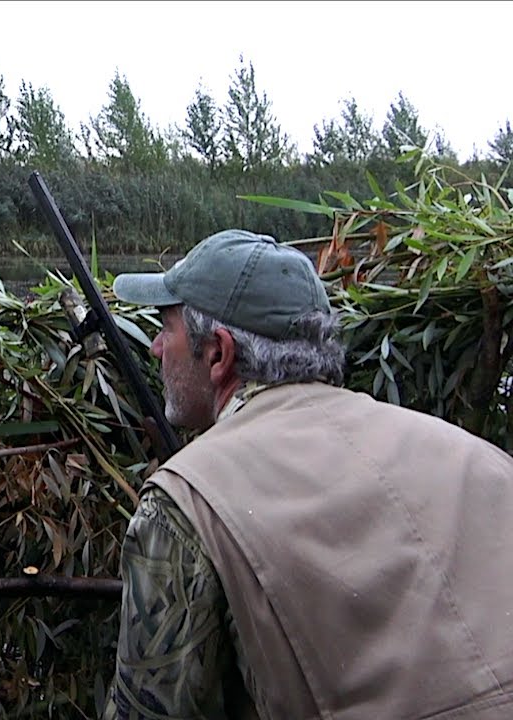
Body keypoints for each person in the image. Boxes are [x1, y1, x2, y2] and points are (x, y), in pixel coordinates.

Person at [100, 229, 513, 719]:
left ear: (218, 354)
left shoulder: (185, 502)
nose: (153, 347)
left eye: (166, 328)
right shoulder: (480, 459)